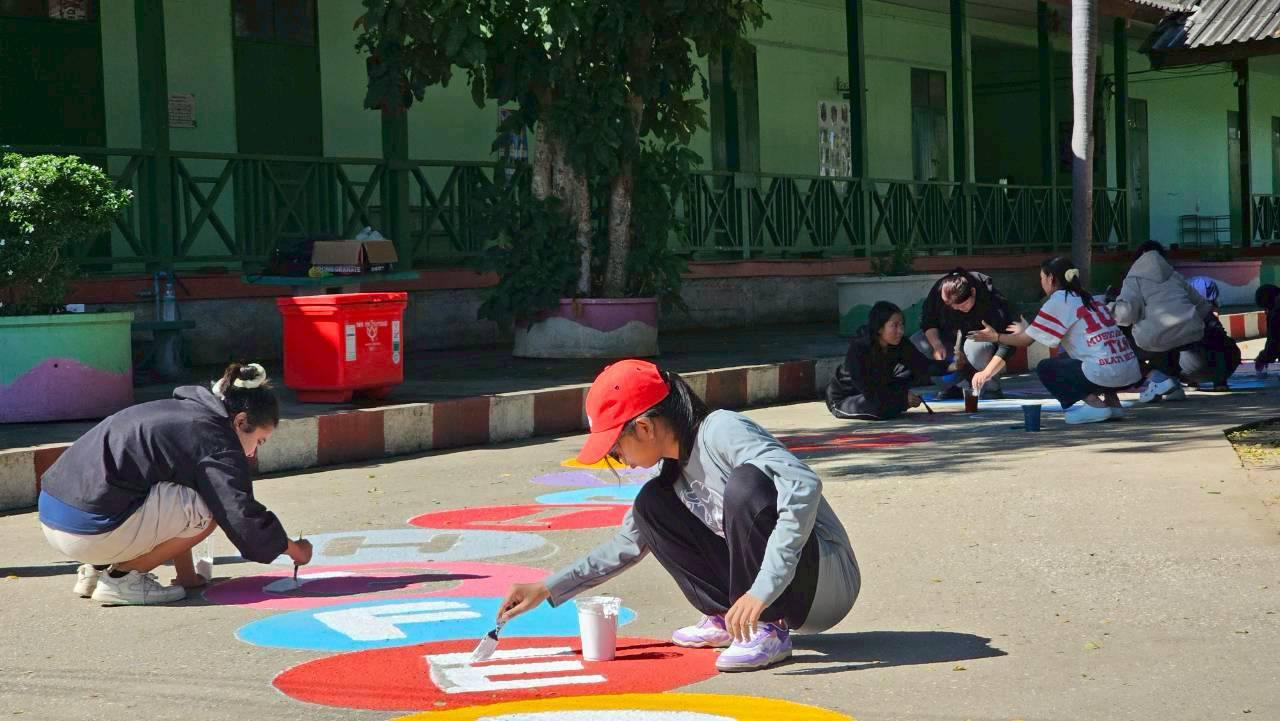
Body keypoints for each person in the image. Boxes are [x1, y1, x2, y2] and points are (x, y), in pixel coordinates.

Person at [497, 360, 860, 672]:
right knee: (649, 507)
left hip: (826, 580)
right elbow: (627, 544)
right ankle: (729, 618)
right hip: (781, 588)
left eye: (615, 445)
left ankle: (765, 628)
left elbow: (803, 484)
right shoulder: (672, 472)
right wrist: (547, 587)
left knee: (747, 484)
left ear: (644, 427)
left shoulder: (720, 429)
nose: (617, 458)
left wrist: (763, 590)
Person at [37, 363, 313, 606]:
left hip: (55, 516)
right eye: (259, 441)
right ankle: (122, 579)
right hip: (90, 531)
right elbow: (240, 514)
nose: (252, 453)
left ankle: (95, 569)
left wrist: (187, 577)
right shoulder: (216, 439)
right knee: (209, 509)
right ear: (240, 421)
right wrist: (293, 549)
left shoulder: (185, 412)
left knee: (189, 494)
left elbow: (179, 494)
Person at [970, 256, 1141, 425]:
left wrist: (996, 337)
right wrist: (1026, 331)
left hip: (1106, 372)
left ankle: (1095, 406)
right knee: (1082, 355)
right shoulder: (1090, 297)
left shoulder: (1059, 300)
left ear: (1051, 278)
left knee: (1047, 368)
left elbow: (1026, 341)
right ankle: (1113, 403)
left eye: (1042, 278)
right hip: (1128, 368)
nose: (1042, 282)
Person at [1107, 241, 1233, 399]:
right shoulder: (1176, 278)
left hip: (1166, 353)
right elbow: (1204, 310)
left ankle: (1158, 378)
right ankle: (1177, 386)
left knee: (1118, 347)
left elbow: (1125, 315)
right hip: (1202, 360)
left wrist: (1109, 308)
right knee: (1174, 340)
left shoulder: (1133, 280)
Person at [827, 300, 951, 420]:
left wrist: (953, 366)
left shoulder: (900, 343)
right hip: (848, 397)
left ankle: (893, 404)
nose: (900, 331)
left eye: (902, 324)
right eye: (894, 325)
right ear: (880, 328)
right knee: (880, 407)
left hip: (880, 388)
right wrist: (901, 399)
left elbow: (922, 364)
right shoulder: (859, 349)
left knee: (912, 372)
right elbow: (868, 389)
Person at [914, 268, 1015, 398]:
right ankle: (954, 386)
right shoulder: (939, 292)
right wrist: (937, 345)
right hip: (951, 346)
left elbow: (1008, 342)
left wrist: (987, 372)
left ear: (973, 292)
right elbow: (928, 321)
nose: (959, 310)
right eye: (953, 307)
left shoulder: (992, 299)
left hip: (979, 348)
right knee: (919, 341)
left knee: (975, 346)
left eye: (963, 305)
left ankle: (990, 388)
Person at [1255, 284, 1280, 372]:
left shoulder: (1276, 314)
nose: (1266, 312)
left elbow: (1274, 344)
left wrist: (1263, 358)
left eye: (1266, 308)